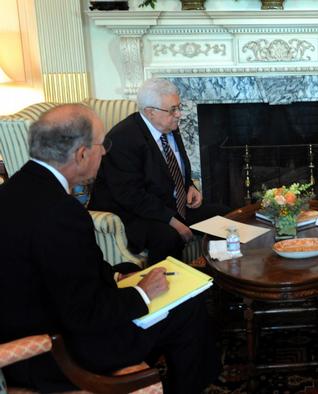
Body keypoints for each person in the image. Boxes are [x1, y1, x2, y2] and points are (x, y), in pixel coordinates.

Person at [0, 104, 220, 393]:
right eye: (102, 144)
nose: (105, 152)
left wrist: (118, 279)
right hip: (59, 352)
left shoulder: (14, 189)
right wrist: (143, 293)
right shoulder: (62, 213)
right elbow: (84, 313)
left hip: (32, 319)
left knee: (128, 269)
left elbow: (61, 274)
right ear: (81, 154)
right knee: (187, 308)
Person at [89, 78, 230, 265]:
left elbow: (177, 166)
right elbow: (131, 196)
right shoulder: (123, 139)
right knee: (168, 237)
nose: (179, 114)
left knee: (225, 217)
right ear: (150, 112)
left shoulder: (168, 125)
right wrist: (172, 221)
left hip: (167, 204)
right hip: (132, 215)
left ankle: (218, 282)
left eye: (179, 107)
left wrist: (189, 186)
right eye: (173, 110)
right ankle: (173, 290)